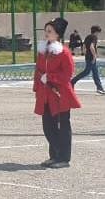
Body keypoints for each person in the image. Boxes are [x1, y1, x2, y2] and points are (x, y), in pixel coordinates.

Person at [34, 18, 81, 168]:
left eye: (50, 31)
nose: (46, 33)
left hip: (60, 95)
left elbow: (67, 74)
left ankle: (63, 158)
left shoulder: (64, 52)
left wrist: (50, 77)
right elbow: (38, 70)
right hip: (46, 94)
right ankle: (54, 155)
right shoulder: (43, 51)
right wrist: (37, 86)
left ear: (58, 34)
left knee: (62, 127)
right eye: (46, 30)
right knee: (48, 126)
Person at [71, 25, 105, 94]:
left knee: (95, 72)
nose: (98, 34)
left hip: (88, 56)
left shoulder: (88, 37)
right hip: (91, 57)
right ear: (96, 32)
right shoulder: (94, 37)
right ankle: (72, 82)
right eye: (98, 32)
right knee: (87, 72)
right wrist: (94, 56)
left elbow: (84, 46)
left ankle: (99, 88)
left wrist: (85, 52)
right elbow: (91, 46)